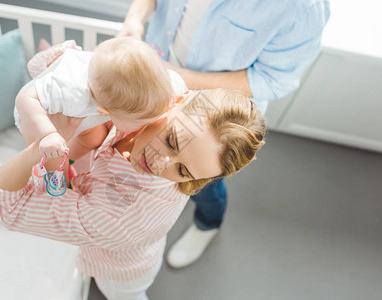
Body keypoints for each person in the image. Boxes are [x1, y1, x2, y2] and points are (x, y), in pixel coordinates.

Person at [0, 89, 266, 299]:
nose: (158, 162)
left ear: (202, 179)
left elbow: (4, 204)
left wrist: (43, 144)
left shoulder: (120, 215)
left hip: (122, 271)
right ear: (176, 100)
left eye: (182, 171)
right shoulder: (153, 92)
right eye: (171, 140)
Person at [118, 0, 330, 268]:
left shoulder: (302, 7)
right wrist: (134, 21)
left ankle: (207, 224)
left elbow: (274, 78)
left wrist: (180, 77)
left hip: (211, 110)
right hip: (158, 72)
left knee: (197, 178)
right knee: (151, 152)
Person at [14, 37, 180, 162]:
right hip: (37, 112)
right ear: (104, 111)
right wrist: (47, 135)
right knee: (54, 157)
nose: (145, 126)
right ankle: (59, 167)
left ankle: (70, 160)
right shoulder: (73, 94)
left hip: (75, 96)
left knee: (94, 137)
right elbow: (24, 99)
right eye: (140, 122)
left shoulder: (107, 71)